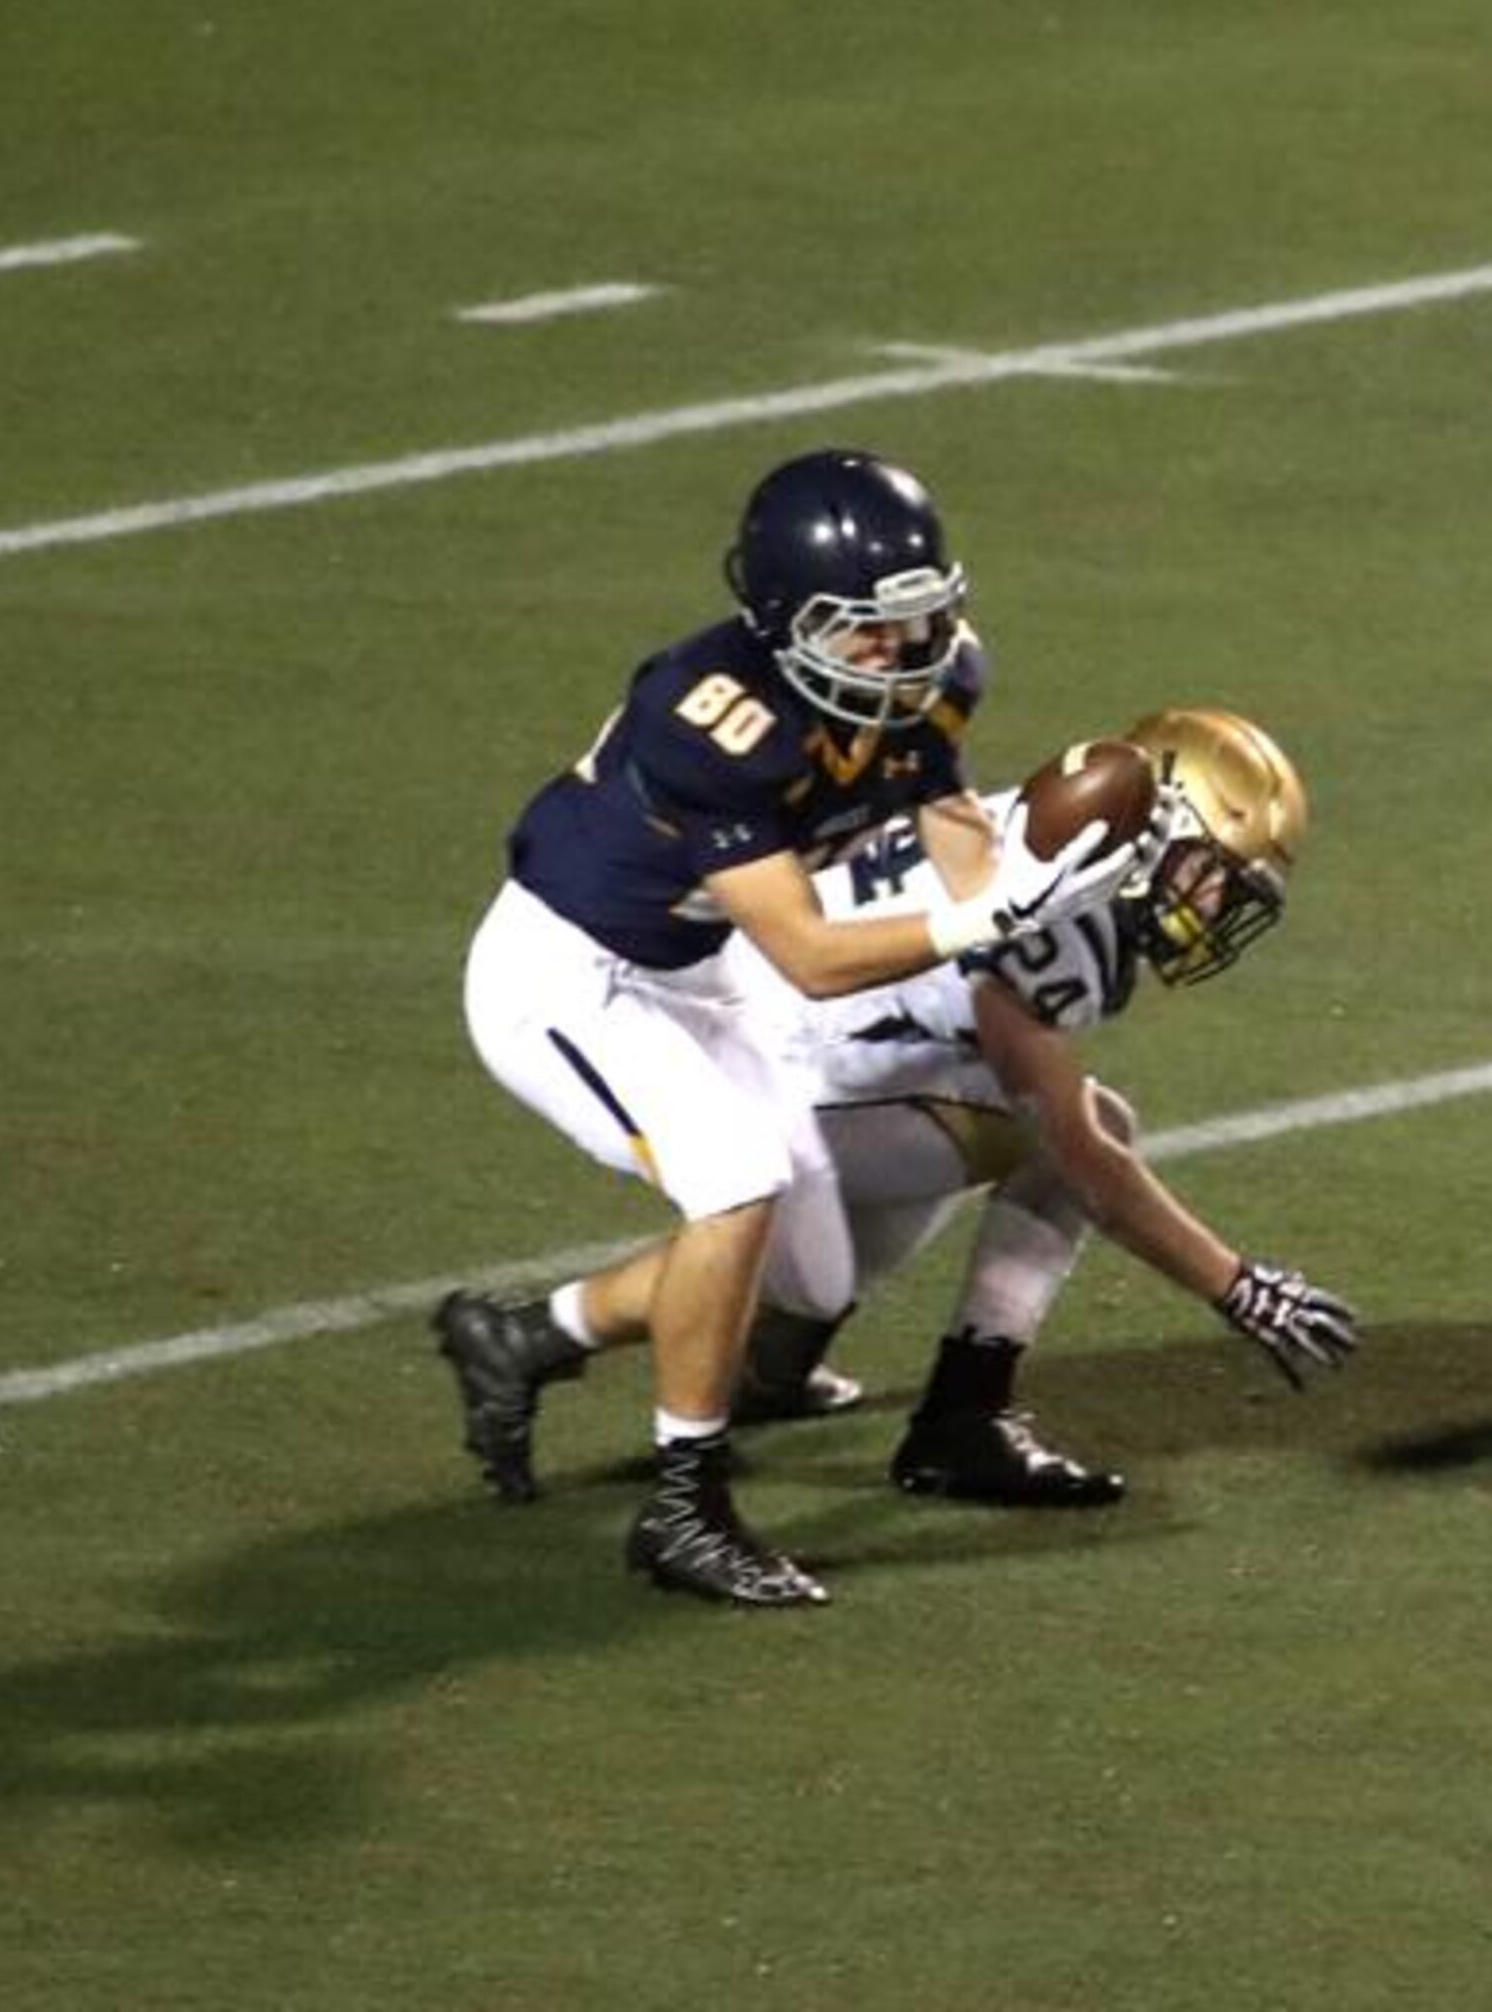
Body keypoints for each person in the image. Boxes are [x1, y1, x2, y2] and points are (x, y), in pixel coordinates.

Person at [440, 448, 1138, 1608]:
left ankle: (525, 1338)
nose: (902, 653)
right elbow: (810, 956)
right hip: (568, 975)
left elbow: (952, 821)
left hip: (695, 975)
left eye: (918, 623)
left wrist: (1043, 873)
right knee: (736, 1181)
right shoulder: (712, 723)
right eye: (868, 631)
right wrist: (987, 921)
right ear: (783, 622)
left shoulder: (929, 677)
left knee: (807, 1279)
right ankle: (686, 1504)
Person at [447, 708, 1361, 1511]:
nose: (1211, 902)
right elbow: (1083, 1158)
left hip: (818, 1046)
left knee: (908, 1204)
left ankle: (778, 1367)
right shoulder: (1058, 913)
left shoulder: (1058, 841)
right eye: (1208, 871)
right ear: (1155, 829)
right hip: (770, 1059)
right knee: (1070, 1139)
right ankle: (539, 1336)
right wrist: (1237, 1286)